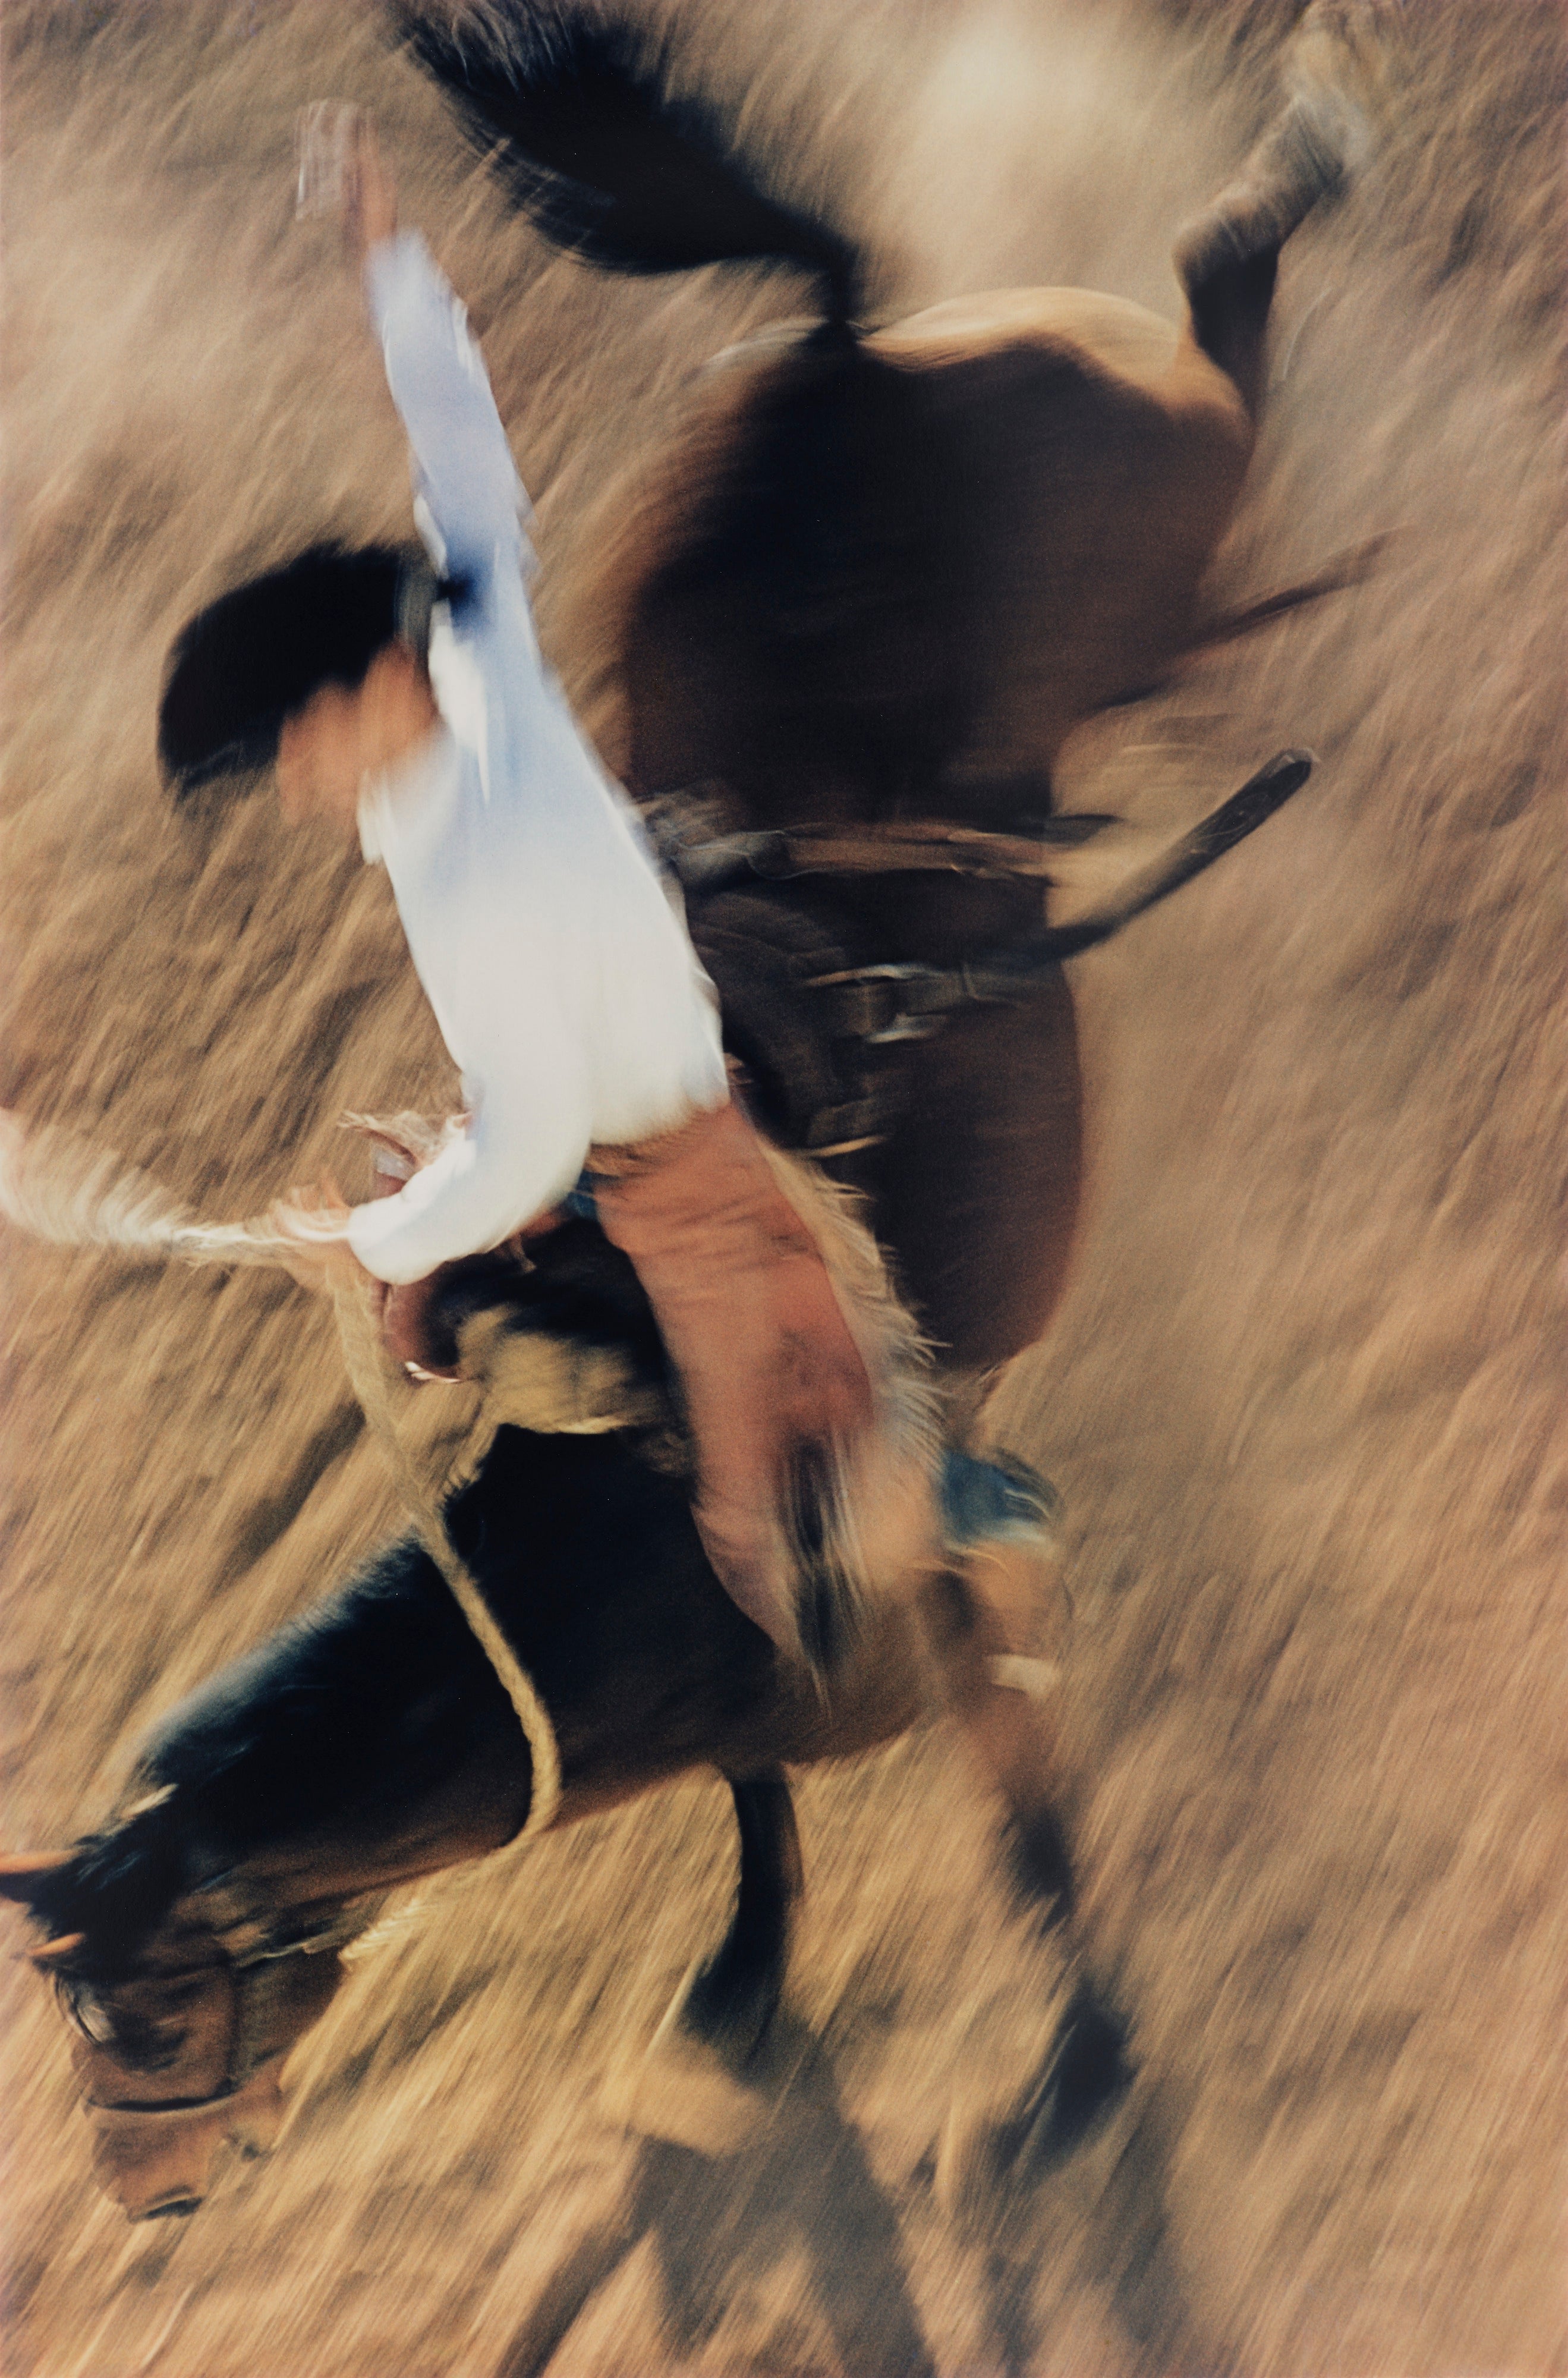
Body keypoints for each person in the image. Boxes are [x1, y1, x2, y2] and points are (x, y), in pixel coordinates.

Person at [158, 121, 922, 1671]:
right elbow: (460, 448)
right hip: (625, 1051)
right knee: (412, 1211)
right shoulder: (473, 639)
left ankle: (909, 1583)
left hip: (672, 1185)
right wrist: (390, 256)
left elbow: (525, 1152)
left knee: (761, 1548)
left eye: (293, 747)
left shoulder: (477, 875)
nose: (299, 788)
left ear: (363, 686)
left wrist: (384, 1246)